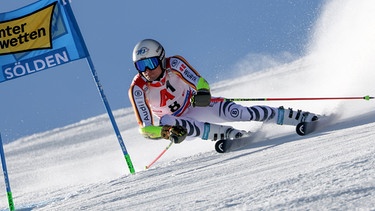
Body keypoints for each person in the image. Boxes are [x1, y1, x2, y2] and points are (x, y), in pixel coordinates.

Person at [128, 39, 318, 144]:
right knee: (166, 120)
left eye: (150, 63)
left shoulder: (174, 64)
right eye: (140, 66)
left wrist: (203, 92)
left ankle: (297, 117)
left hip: (195, 104)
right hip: (178, 123)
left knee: (240, 112)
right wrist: (166, 132)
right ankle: (229, 135)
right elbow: (145, 128)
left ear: (161, 59)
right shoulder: (138, 89)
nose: (147, 70)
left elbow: (199, 82)